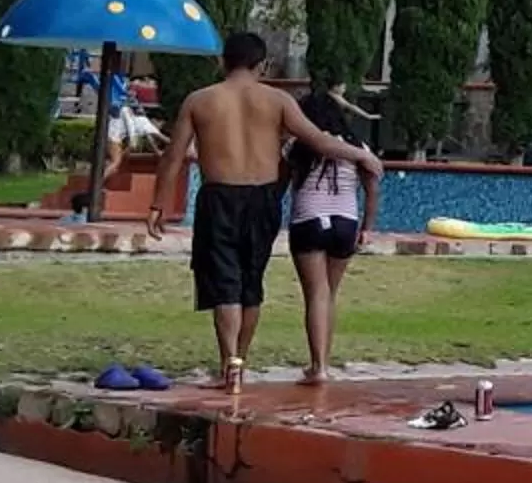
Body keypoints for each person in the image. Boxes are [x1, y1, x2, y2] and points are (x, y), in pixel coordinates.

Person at [149, 32, 382, 390]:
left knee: (224, 283)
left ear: (221, 62)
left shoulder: (199, 100)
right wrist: (362, 154)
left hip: (219, 196)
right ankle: (241, 359)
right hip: (262, 199)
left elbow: (174, 156)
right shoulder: (278, 100)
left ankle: (230, 365)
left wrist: (158, 204)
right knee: (249, 283)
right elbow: (318, 140)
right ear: (264, 65)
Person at [285, 90, 380, 386]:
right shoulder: (358, 146)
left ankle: (318, 367)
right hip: (345, 223)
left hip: (309, 221)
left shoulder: (300, 146)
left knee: (316, 294)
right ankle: (324, 363)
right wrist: (367, 227)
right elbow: (372, 188)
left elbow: (281, 177)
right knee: (329, 295)